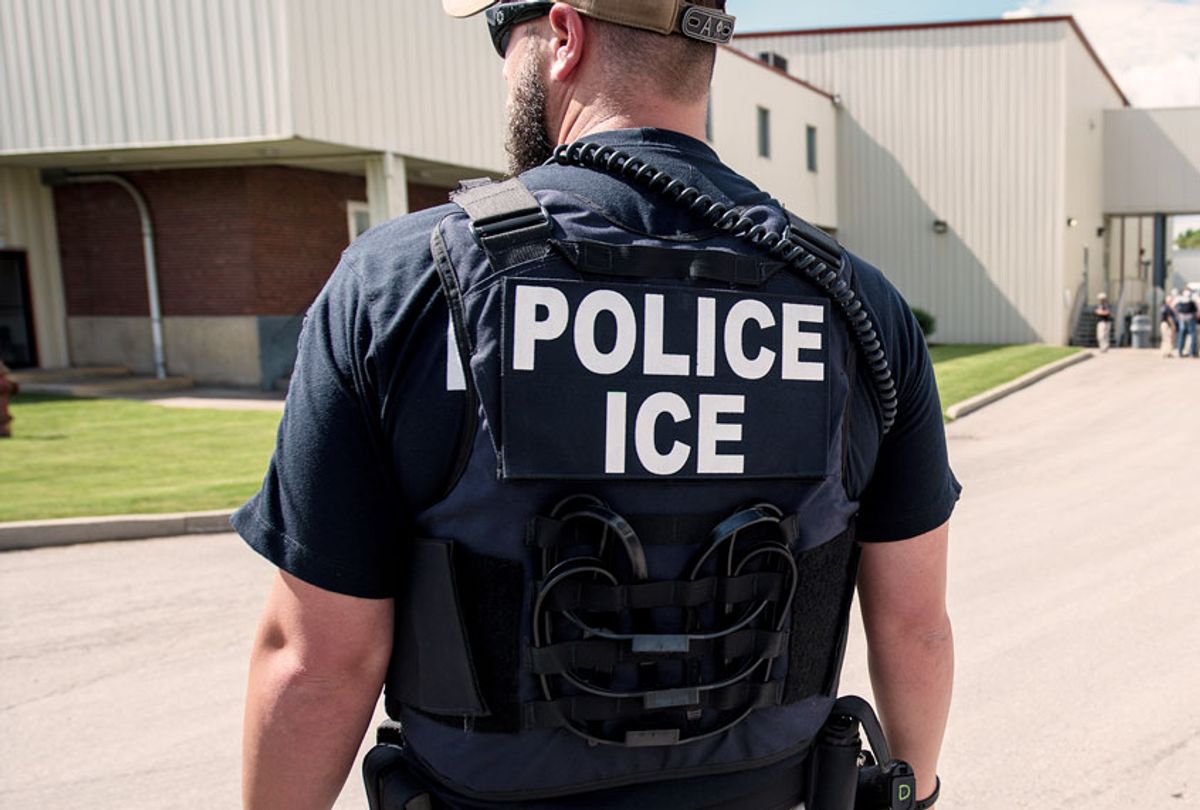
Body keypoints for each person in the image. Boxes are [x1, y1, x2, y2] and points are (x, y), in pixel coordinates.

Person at [235, 2, 958, 809]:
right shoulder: (860, 305)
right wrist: (914, 794)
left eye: (503, 39)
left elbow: (317, 662)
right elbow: (914, 624)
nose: (504, 67)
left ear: (564, 35)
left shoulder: (400, 283)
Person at [1176, 289, 1198, 358]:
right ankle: (1192, 353)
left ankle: (1180, 352)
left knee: (1182, 335)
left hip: (1182, 319)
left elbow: (1176, 308)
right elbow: (1196, 310)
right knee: (1193, 335)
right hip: (1190, 318)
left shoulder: (1180, 299)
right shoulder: (1192, 299)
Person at [1161, 293, 1178, 358]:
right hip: (1167, 324)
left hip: (1165, 324)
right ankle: (1168, 352)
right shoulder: (1167, 307)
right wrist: (1173, 325)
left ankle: (1165, 352)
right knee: (1168, 339)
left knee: (1165, 339)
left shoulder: (1165, 307)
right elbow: (1169, 317)